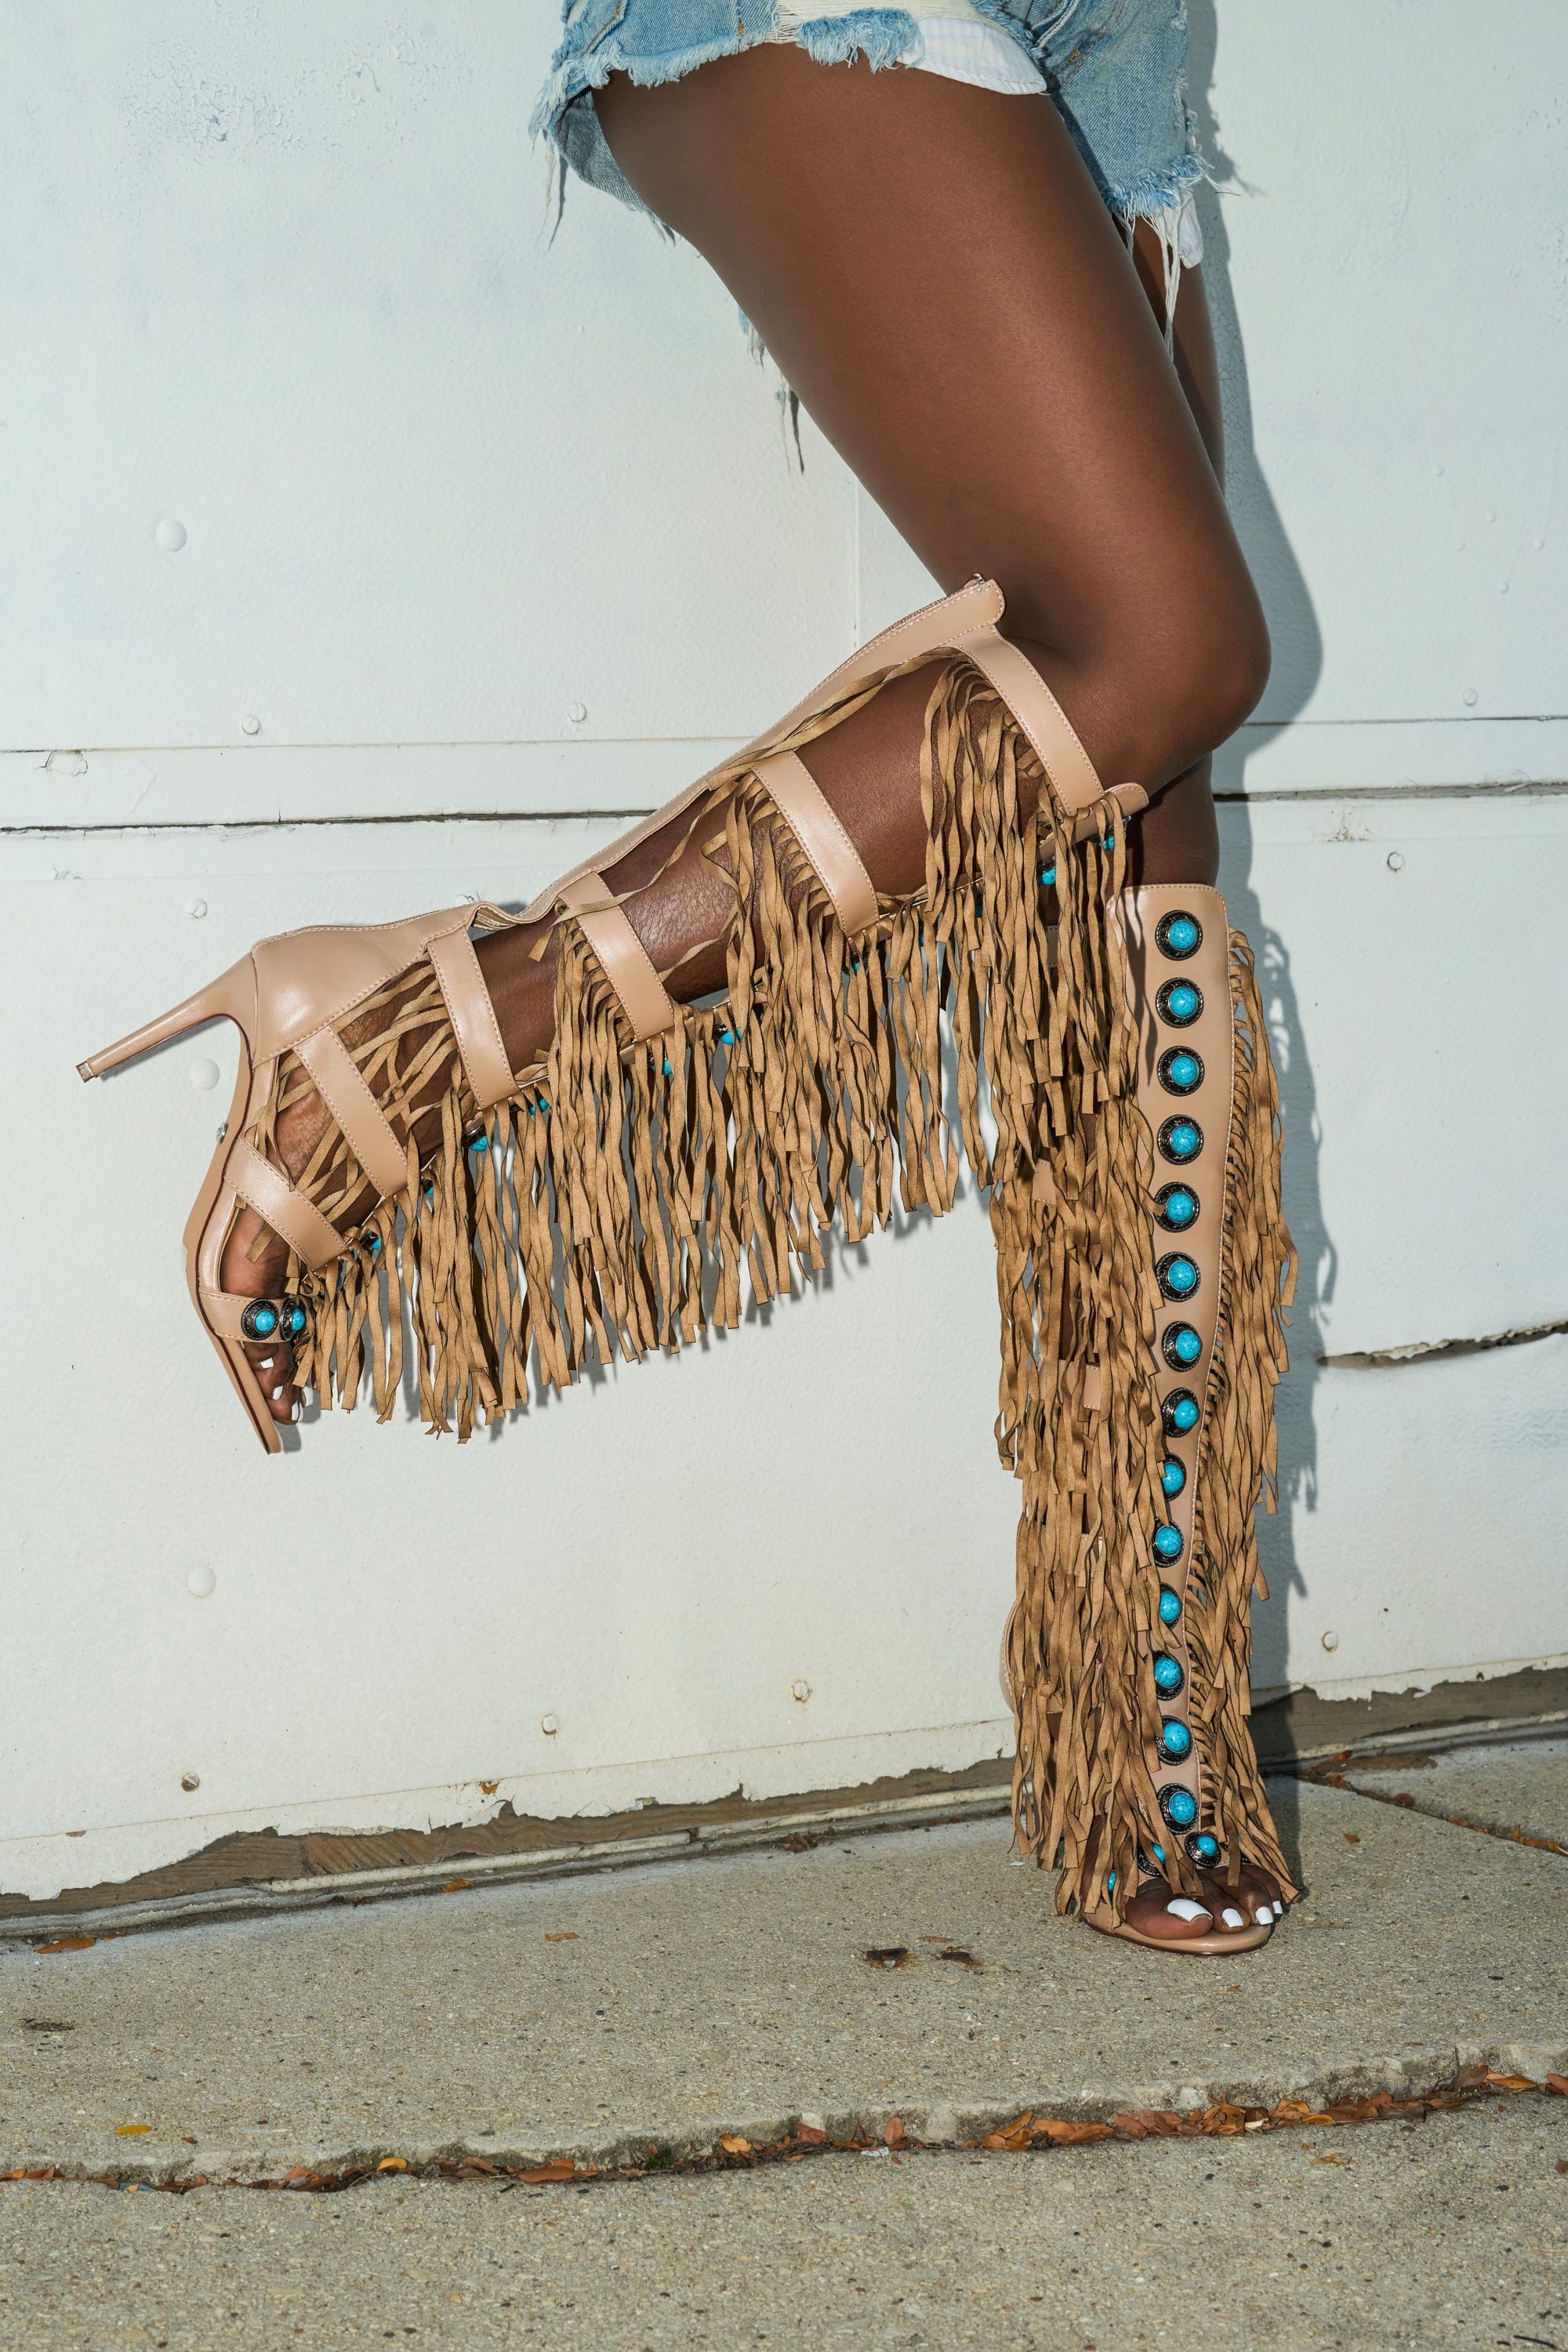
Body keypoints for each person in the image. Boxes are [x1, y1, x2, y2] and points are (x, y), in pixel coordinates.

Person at [78, 3, 1295, 1953]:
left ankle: (1138, 1724)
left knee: (1136, 821)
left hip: (1124, 47)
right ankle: (411, 1049)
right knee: (1162, 651)